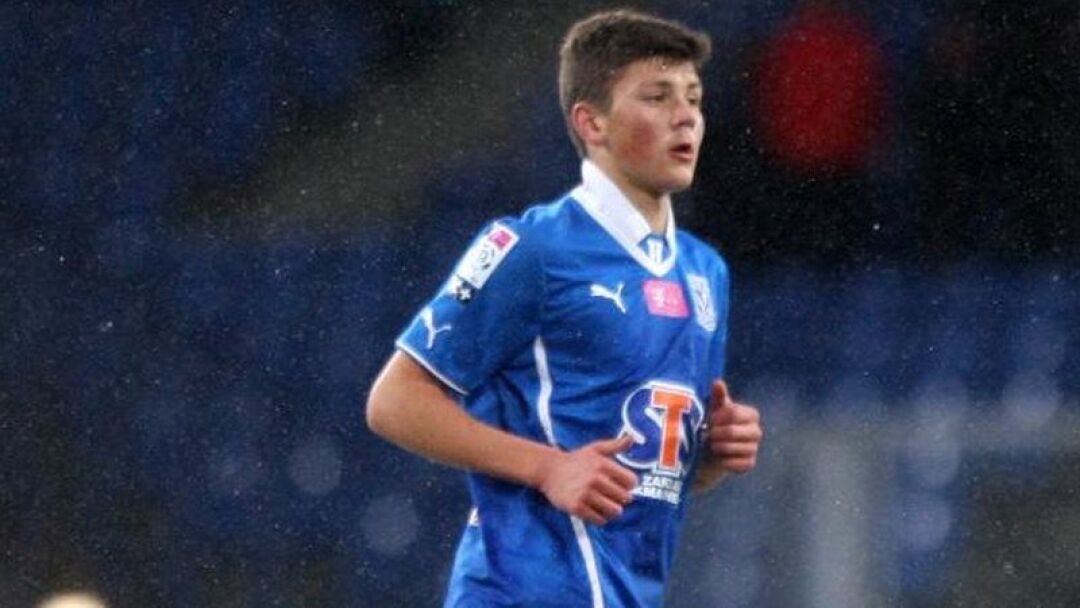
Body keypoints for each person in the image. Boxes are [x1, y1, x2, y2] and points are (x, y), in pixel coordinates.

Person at [366, 9, 763, 608]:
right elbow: (394, 401)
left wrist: (711, 455)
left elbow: (655, 475)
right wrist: (546, 467)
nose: (685, 116)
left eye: (693, 97)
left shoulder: (705, 272)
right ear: (591, 122)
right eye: (657, 97)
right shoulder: (532, 249)